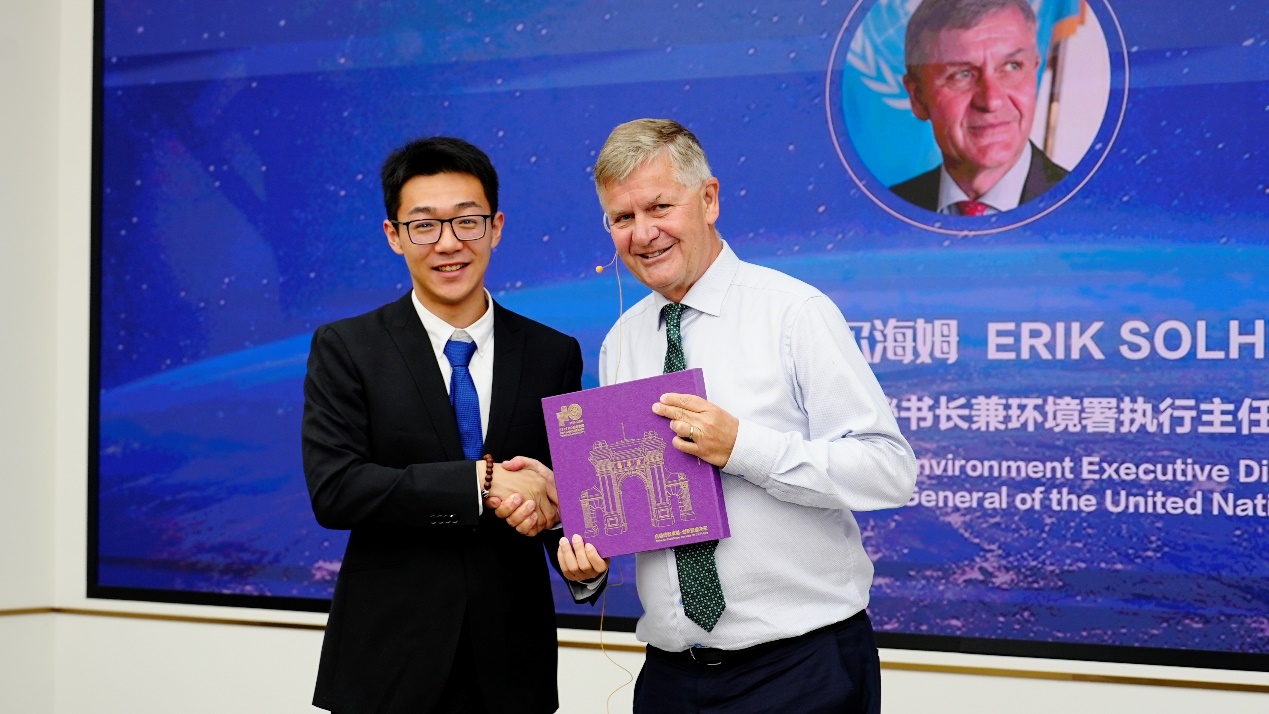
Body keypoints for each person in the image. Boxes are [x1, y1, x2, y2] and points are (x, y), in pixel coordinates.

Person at [553, 119, 917, 713]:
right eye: (622, 218)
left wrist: (743, 447)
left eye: (660, 207)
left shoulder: (793, 313)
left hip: (802, 671)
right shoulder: (622, 341)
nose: (643, 233)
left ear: (709, 199)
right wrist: (589, 564)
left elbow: (889, 470)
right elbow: (639, 507)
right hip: (672, 678)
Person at [302, 136, 597, 714]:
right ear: (394, 236)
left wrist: (576, 544)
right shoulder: (348, 347)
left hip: (513, 669)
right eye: (424, 225)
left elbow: (562, 494)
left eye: (467, 221)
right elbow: (335, 489)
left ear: (496, 227)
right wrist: (479, 483)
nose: (448, 244)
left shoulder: (552, 354)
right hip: (388, 667)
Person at [892, 0, 1068, 215]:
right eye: (962, 75)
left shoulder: (1093, 215)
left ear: (1034, 72)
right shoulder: (882, 215)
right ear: (918, 98)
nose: (992, 101)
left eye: (1012, 67)